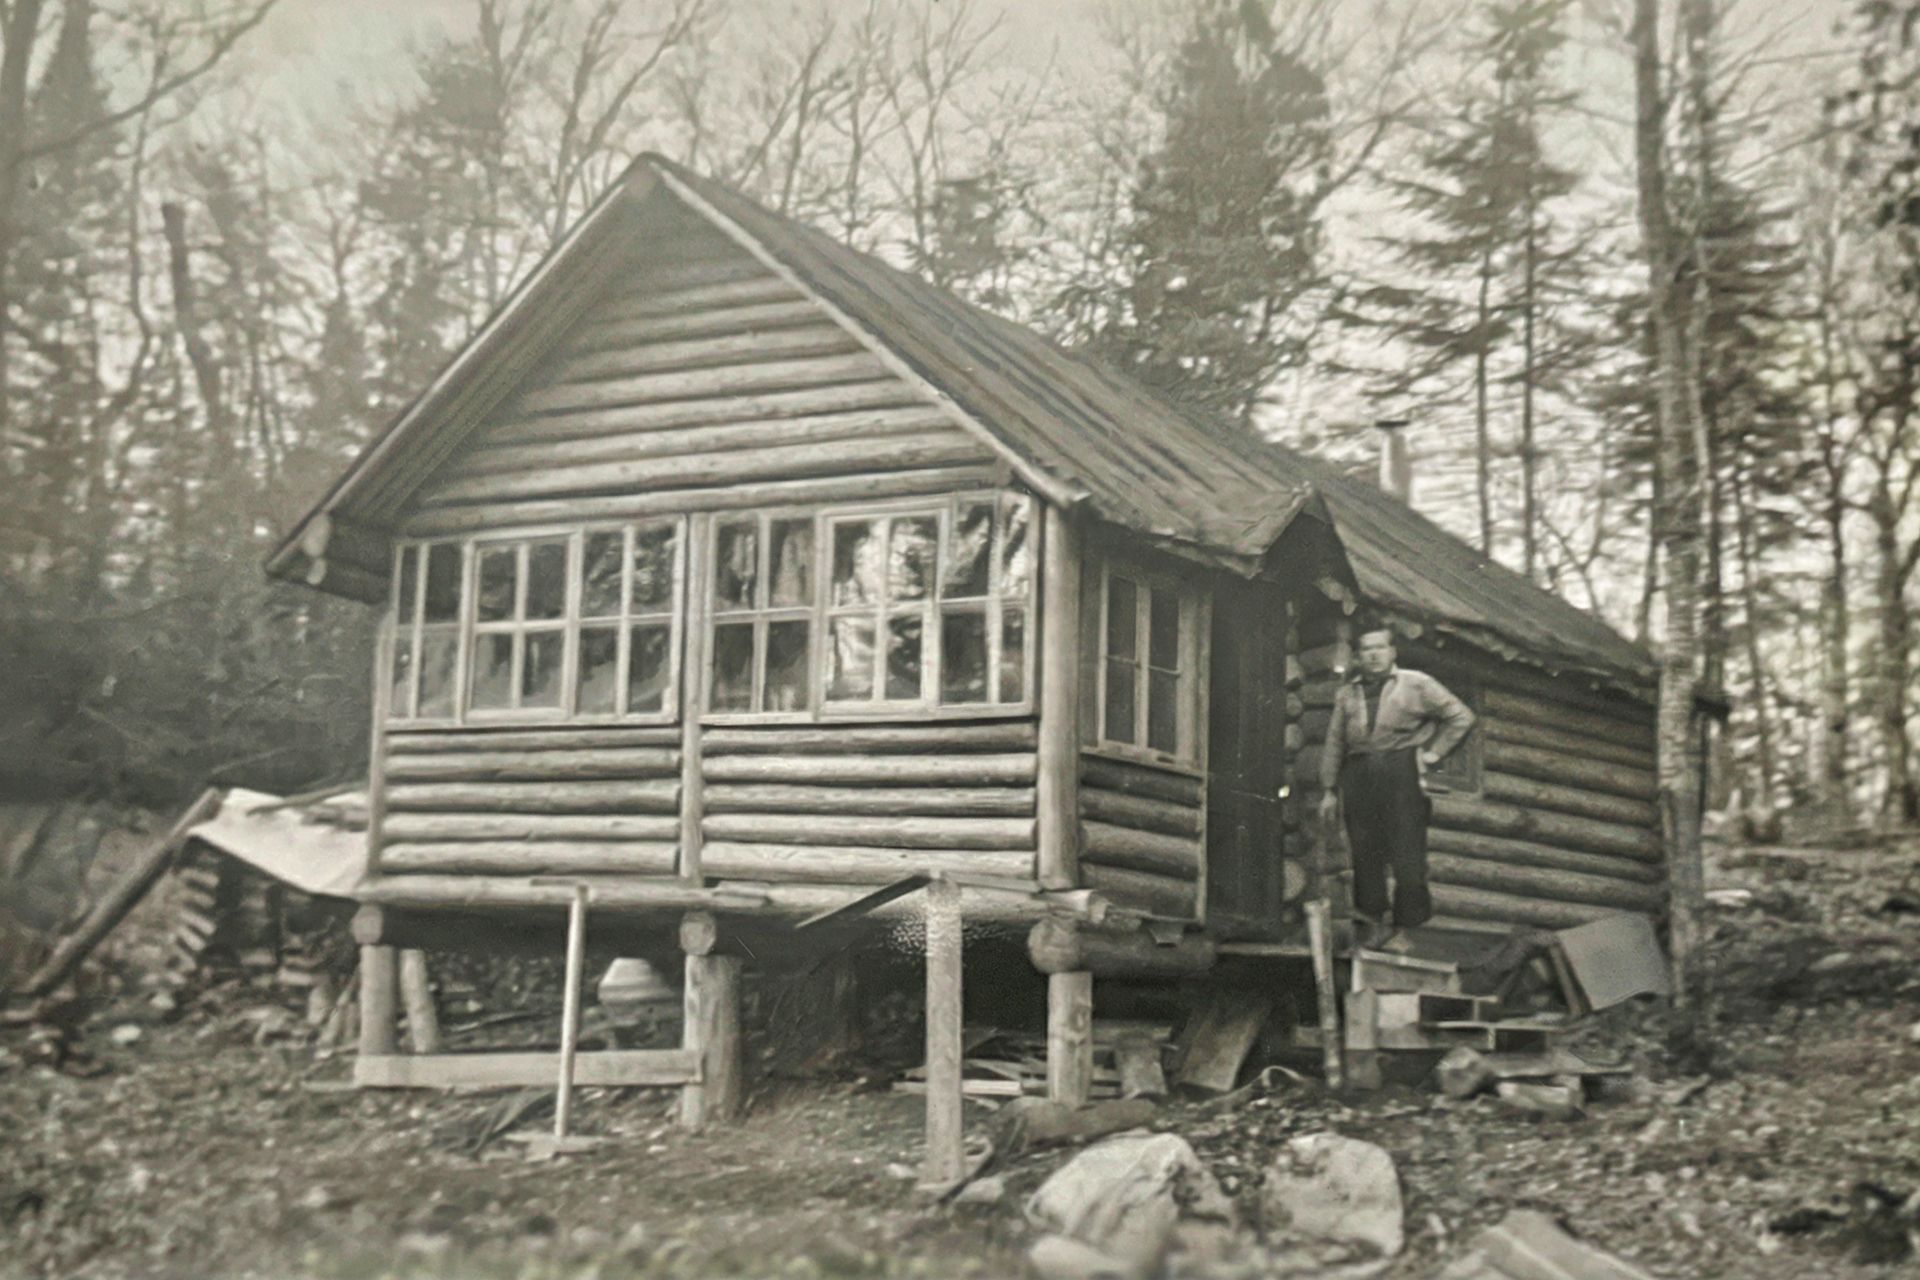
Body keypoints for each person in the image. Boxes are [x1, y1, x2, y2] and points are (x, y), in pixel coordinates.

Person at [1316, 622, 1476, 949]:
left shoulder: (1417, 683)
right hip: (1359, 775)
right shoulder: (1347, 693)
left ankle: (1407, 928)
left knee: (1408, 855)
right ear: (1358, 656)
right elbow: (1335, 742)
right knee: (1365, 855)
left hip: (1400, 773)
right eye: (1366, 650)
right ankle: (1373, 927)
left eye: (1379, 648)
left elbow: (1461, 716)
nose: (1373, 655)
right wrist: (1329, 790)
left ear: (1392, 652)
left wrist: (1433, 755)